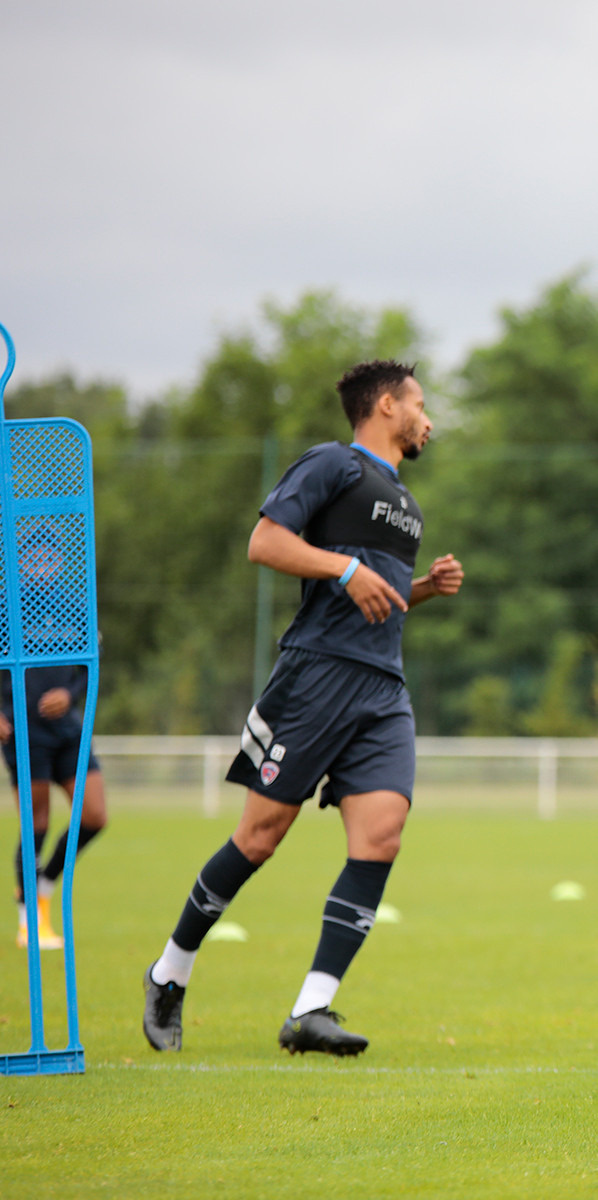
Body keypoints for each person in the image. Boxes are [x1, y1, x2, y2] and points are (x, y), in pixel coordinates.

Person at [141, 360, 464, 1057]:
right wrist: (343, 568)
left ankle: (311, 1009)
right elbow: (266, 543)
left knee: (382, 833)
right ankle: (170, 972)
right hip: (316, 676)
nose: (428, 419)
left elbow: (378, 596)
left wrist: (424, 589)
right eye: (420, 405)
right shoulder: (332, 465)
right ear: (386, 406)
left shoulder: (405, 502)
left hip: (382, 687)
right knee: (259, 838)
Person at [5, 664, 107, 950]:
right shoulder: (9, 616)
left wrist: (70, 692)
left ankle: (44, 884)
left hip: (68, 730)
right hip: (24, 728)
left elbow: (92, 661)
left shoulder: (77, 617)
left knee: (95, 816)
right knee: (37, 823)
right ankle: (29, 921)